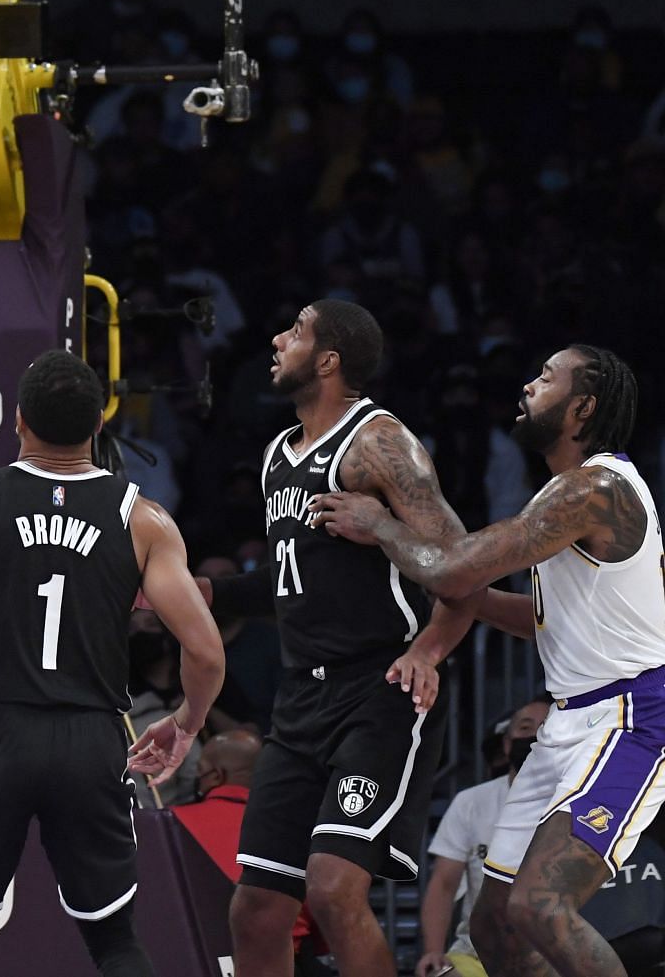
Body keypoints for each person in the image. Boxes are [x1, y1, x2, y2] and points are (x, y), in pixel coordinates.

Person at [0, 350, 225, 977]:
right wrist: (188, 721)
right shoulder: (143, 519)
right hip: (92, 737)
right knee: (114, 940)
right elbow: (205, 652)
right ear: (97, 427)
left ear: (18, 419)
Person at [315, 344, 664, 977]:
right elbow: (535, 621)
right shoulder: (564, 494)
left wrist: (383, 525)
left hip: (630, 717)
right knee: (493, 920)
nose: (529, 385)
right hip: (571, 719)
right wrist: (465, 596)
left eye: (546, 377)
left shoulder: (596, 489)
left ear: (582, 408)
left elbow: (452, 566)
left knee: (540, 906)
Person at [209, 301, 474, 977]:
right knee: (257, 907)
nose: (275, 338)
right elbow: (293, 579)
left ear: (328, 359)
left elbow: (461, 564)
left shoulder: (379, 441)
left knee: (331, 885)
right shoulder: (277, 453)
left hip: (379, 688)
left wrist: (428, 649)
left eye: (293, 330)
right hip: (301, 699)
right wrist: (204, 593)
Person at [412, 700, 551, 977]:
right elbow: (443, 883)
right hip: (477, 955)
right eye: (525, 728)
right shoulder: (471, 802)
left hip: (556, 953)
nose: (535, 736)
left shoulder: (579, 802)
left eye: (546, 729)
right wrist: (432, 950)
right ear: (507, 744)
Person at [169, 732, 319, 972]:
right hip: (291, 958)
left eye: (200, 770)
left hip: (203, 961)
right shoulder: (295, 827)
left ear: (216, 776)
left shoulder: (172, 825)